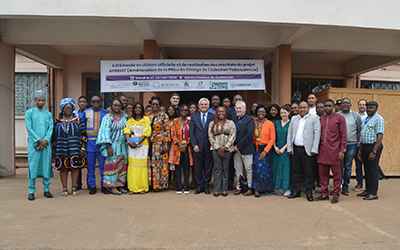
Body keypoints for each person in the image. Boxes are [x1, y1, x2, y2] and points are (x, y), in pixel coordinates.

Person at [287, 101, 321, 202]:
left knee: (309, 172)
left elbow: (317, 134)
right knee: (296, 172)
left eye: (304, 108)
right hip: (296, 149)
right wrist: (289, 148)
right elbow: (290, 133)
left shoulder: (314, 118)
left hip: (308, 150)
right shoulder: (294, 118)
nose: (302, 109)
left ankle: (309, 193)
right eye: (300, 108)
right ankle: (296, 191)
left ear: (308, 108)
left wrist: (314, 149)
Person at [53, 98, 86, 197]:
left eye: (70, 108)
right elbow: (53, 137)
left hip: (75, 147)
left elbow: (84, 136)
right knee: (63, 168)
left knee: (75, 167)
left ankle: (73, 187)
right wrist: (54, 150)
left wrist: (83, 148)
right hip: (61, 147)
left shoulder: (78, 120)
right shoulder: (56, 121)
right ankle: (64, 188)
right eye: (66, 108)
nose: (68, 110)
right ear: (62, 109)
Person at [316, 99, 347, 204]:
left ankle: (335, 194)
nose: (327, 108)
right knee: (323, 174)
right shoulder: (321, 119)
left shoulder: (340, 118)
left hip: (335, 151)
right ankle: (324, 193)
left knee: (337, 175)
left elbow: (344, 136)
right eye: (325, 106)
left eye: (329, 106)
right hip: (322, 151)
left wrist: (342, 151)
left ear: (333, 106)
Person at [25, 90, 54, 201]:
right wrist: (39, 140)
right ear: (35, 100)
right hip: (34, 145)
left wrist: (45, 140)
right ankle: (31, 191)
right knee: (33, 167)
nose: (41, 102)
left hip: (46, 145)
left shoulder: (48, 114)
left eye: (43, 100)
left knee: (46, 166)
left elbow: (50, 128)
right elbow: (29, 128)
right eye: (39, 100)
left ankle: (46, 189)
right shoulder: (29, 113)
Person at [97, 99, 128, 195]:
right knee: (112, 165)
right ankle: (112, 186)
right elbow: (104, 131)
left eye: (118, 105)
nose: (116, 107)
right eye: (114, 105)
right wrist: (108, 146)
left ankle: (120, 185)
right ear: (111, 106)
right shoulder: (108, 117)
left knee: (122, 165)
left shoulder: (124, 116)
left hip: (123, 146)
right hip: (112, 145)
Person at [81, 95, 109, 195]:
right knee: (91, 166)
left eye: (98, 101)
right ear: (91, 102)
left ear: (101, 102)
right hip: (90, 143)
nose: (96, 103)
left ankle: (104, 186)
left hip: (102, 143)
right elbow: (82, 127)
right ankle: (92, 186)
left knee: (103, 166)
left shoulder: (105, 113)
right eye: (94, 101)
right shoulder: (86, 112)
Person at [357, 101, 385, 200]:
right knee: (367, 170)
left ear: (376, 108)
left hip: (373, 146)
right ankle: (368, 190)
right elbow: (362, 135)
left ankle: (373, 193)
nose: (369, 109)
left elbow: (379, 137)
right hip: (364, 146)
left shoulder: (379, 119)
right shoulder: (367, 119)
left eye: (371, 108)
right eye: (368, 107)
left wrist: (374, 152)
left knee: (373, 170)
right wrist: (360, 149)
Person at [124, 102, 151, 194]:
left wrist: (138, 143)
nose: (138, 109)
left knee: (141, 166)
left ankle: (142, 187)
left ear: (142, 109)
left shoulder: (146, 119)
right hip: (131, 145)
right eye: (136, 107)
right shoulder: (130, 120)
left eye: (140, 108)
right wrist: (128, 142)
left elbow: (146, 132)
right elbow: (127, 131)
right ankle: (132, 187)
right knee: (132, 166)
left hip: (142, 145)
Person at [208, 106, 236, 197]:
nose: (221, 113)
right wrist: (218, 148)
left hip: (227, 149)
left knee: (225, 169)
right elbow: (210, 136)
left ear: (225, 113)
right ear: (216, 113)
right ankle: (216, 189)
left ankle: (224, 189)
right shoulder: (212, 123)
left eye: (223, 111)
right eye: (219, 111)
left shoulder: (230, 123)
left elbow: (233, 135)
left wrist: (225, 147)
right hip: (215, 149)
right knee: (217, 169)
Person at [189, 97, 215, 195]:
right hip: (197, 146)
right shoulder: (194, 116)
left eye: (205, 104)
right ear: (199, 106)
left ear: (208, 106)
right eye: (202, 104)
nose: (203, 106)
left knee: (208, 168)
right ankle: (200, 186)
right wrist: (194, 144)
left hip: (209, 145)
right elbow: (192, 132)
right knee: (198, 168)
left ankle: (206, 186)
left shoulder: (213, 116)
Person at [338, 97, 362, 195]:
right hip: (339, 146)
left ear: (350, 105)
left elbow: (359, 130)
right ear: (341, 105)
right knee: (339, 166)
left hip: (352, 145)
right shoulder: (337, 115)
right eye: (343, 103)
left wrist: (357, 144)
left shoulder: (355, 116)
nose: (345, 104)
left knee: (347, 167)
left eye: (347, 103)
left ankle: (345, 186)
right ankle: (337, 186)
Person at [147, 96, 171, 191]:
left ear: (160, 105)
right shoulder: (147, 116)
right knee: (150, 164)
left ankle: (159, 185)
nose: (155, 106)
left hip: (160, 143)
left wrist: (166, 145)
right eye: (153, 104)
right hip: (148, 143)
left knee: (160, 164)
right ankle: (150, 184)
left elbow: (167, 131)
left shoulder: (164, 116)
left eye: (157, 104)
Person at [170, 104, 194, 194]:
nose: (183, 112)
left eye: (185, 110)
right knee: (178, 167)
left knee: (187, 167)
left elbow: (192, 133)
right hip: (177, 147)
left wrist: (186, 143)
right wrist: (180, 144)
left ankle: (186, 186)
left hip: (187, 147)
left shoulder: (190, 122)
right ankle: (179, 186)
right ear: (179, 112)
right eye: (182, 110)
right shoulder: (175, 121)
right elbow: (173, 134)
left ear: (188, 112)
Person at [233, 101, 255, 196]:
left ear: (245, 109)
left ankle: (250, 187)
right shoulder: (233, 119)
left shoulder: (249, 120)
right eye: (237, 108)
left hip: (246, 149)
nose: (238, 110)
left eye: (240, 108)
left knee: (249, 169)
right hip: (235, 149)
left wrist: (239, 146)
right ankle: (239, 187)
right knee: (238, 169)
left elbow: (249, 134)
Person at [252, 105, 275, 197]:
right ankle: (257, 189)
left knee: (265, 170)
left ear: (266, 113)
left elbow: (272, 139)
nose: (261, 113)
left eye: (263, 111)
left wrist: (265, 151)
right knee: (257, 169)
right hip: (256, 148)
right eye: (259, 111)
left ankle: (265, 188)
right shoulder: (254, 123)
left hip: (266, 149)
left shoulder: (270, 124)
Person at [273, 105, 291, 197]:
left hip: (286, 150)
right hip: (276, 149)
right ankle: (276, 187)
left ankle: (286, 188)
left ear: (288, 112)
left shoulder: (291, 123)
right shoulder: (276, 123)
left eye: (285, 112)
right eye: (281, 113)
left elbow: (291, 138)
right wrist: (275, 147)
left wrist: (284, 148)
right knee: (276, 168)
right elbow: (273, 136)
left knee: (285, 168)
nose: (283, 114)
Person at [73, 95, 88, 190]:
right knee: (78, 162)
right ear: (78, 104)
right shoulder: (74, 114)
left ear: (87, 104)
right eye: (80, 102)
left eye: (84, 102)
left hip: (89, 140)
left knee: (89, 163)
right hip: (78, 141)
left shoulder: (89, 113)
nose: (82, 103)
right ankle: (78, 183)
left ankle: (89, 183)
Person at [353, 98, 368, 191]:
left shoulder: (369, 116)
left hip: (365, 144)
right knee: (358, 165)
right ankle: (360, 183)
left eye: (363, 104)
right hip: (355, 144)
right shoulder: (354, 115)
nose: (362, 106)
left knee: (366, 165)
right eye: (360, 104)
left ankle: (368, 185)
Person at [166, 105, 178, 189]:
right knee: (166, 164)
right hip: (166, 144)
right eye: (169, 110)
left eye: (172, 110)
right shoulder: (164, 120)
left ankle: (174, 181)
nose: (171, 111)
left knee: (173, 164)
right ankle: (167, 181)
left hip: (174, 144)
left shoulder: (177, 120)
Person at [187, 102, 198, 189]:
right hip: (186, 144)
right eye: (190, 108)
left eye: (194, 108)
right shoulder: (186, 119)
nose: (192, 109)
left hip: (195, 143)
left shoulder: (197, 117)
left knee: (195, 164)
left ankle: (195, 182)